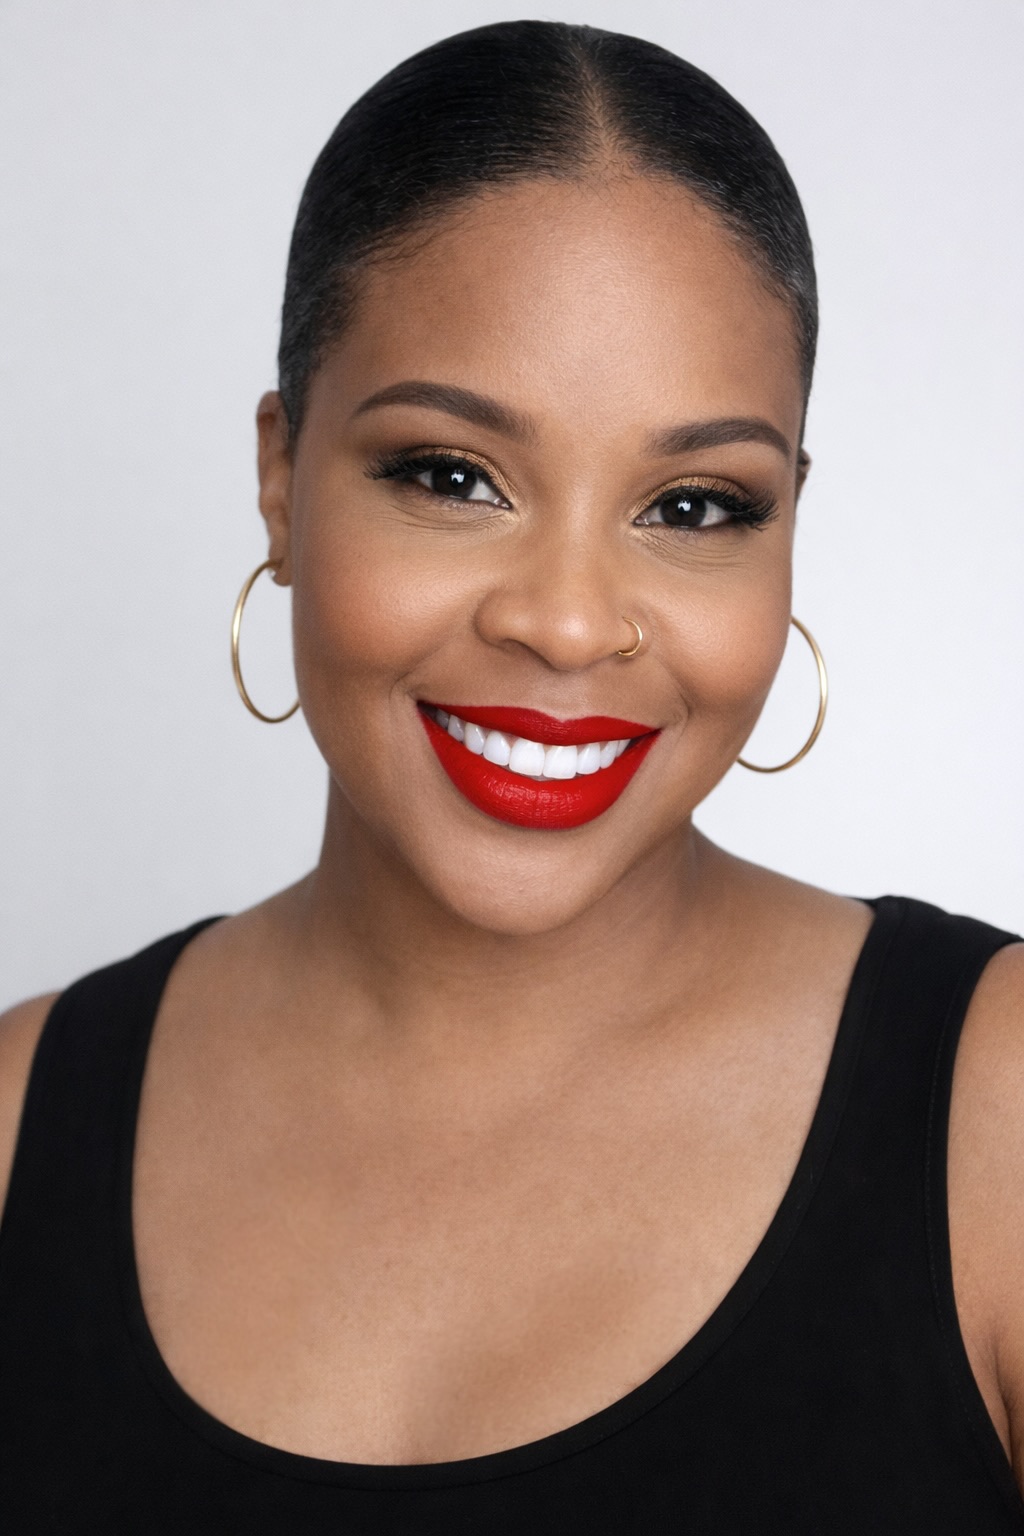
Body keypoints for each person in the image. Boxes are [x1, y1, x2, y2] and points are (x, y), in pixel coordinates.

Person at [0, 19, 1021, 1531]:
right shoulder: (18, 1127)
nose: (563, 619)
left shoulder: (1000, 1120)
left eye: (693, 503)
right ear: (281, 478)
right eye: (451, 475)